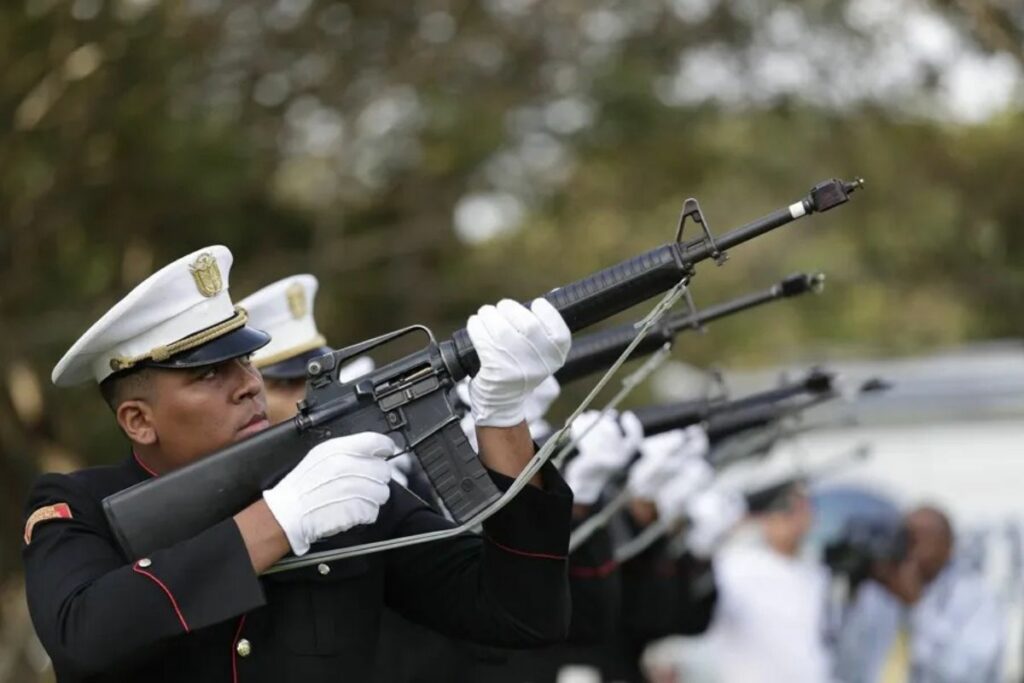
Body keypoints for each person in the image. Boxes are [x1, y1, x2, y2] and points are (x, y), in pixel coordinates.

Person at [23, 245, 575, 682]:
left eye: (244, 359)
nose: (249, 384)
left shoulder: (335, 489)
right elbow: (82, 637)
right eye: (209, 373)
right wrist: (278, 521)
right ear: (139, 420)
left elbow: (520, 614)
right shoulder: (76, 508)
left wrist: (502, 419)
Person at [831, 505, 1005, 683]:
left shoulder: (976, 597)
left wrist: (918, 607)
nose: (910, 547)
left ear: (948, 545)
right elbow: (846, 661)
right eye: (904, 536)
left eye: (919, 537)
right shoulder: (882, 592)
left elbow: (965, 672)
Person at [696, 482, 833, 683]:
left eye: (802, 506)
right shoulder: (734, 566)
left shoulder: (817, 574)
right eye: (785, 507)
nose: (793, 516)